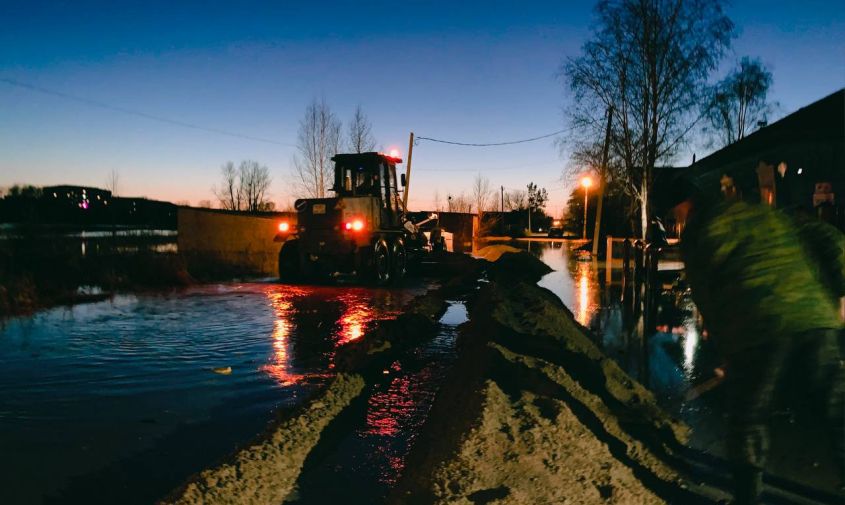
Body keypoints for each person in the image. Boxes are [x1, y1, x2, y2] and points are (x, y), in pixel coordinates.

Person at [662, 174, 845, 504]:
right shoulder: (763, 213)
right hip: (814, 316)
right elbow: (827, 236)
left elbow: (708, 293)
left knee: (748, 415)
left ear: (681, 208)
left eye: (672, 216)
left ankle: (748, 497)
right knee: (837, 408)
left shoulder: (699, 230)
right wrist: (842, 294)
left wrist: (725, 350)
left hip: (757, 326)